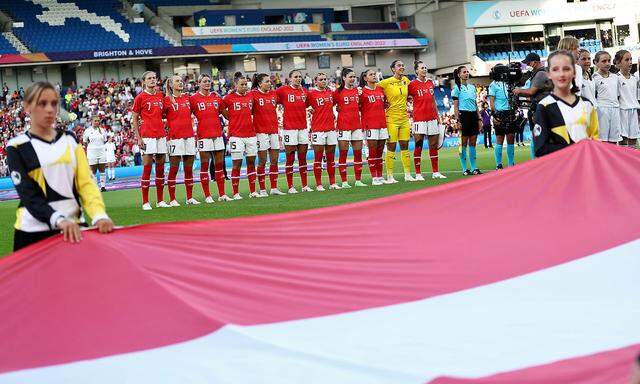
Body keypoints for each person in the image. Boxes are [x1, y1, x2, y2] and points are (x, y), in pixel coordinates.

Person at [6, 81, 114, 251]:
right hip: (33, 232)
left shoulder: (70, 140)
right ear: (27, 106)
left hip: (75, 228)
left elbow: (86, 183)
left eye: (54, 103)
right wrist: (58, 219)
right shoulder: (17, 146)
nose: (50, 109)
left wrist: (99, 215)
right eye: (42, 103)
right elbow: (29, 195)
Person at [533, 50, 599, 156]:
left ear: (574, 73)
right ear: (549, 74)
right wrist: (575, 148)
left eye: (566, 69)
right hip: (560, 169)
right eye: (555, 69)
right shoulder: (544, 106)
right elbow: (540, 148)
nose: (561, 74)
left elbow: (595, 141)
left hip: (586, 168)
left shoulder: (587, 105)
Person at [190, 73, 230, 203]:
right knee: (204, 166)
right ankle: (207, 196)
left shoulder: (216, 98)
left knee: (219, 165)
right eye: (204, 81)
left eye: (209, 81)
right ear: (199, 83)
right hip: (203, 136)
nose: (207, 83)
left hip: (218, 135)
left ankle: (222, 194)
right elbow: (185, 115)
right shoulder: (193, 99)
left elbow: (228, 115)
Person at [132, 71, 169, 210]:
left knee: (160, 169)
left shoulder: (161, 95)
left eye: (154, 78)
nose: (153, 80)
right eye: (149, 78)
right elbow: (134, 118)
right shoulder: (140, 97)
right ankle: (145, 202)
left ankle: (160, 201)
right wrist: (138, 137)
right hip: (147, 135)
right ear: (144, 81)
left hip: (160, 135)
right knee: (147, 167)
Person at [221, 72, 258, 199]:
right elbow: (221, 108)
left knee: (251, 163)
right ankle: (236, 193)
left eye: (246, 84)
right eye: (242, 84)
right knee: (237, 164)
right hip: (236, 135)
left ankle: (253, 191)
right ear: (236, 85)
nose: (244, 87)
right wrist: (230, 118)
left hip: (251, 134)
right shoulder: (228, 97)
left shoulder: (250, 96)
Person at [163, 75, 199, 206]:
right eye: (177, 81)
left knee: (189, 169)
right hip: (174, 138)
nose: (180, 83)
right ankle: (172, 199)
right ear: (171, 85)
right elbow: (159, 116)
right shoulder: (166, 100)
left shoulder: (188, 98)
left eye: (181, 81)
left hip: (189, 136)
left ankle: (190, 197)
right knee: (174, 169)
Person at [377, 60, 415, 183]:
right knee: (391, 147)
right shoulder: (386, 82)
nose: (402, 67)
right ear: (393, 69)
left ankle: (408, 174)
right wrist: (383, 101)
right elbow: (373, 88)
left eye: (403, 65)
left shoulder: (406, 81)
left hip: (404, 118)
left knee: (405, 146)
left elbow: (412, 92)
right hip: (391, 119)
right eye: (399, 65)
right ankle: (389, 176)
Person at [408, 60, 446, 180]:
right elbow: (404, 98)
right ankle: (418, 174)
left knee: (433, 145)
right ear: (416, 71)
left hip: (432, 118)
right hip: (419, 119)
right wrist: (409, 111)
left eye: (425, 67)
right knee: (418, 145)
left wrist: (438, 116)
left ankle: (435, 172)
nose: (424, 69)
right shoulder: (412, 84)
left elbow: (433, 100)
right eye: (422, 68)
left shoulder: (430, 83)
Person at [276, 70, 311, 193]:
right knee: (290, 158)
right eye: (295, 77)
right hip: (289, 128)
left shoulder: (304, 91)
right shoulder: (282, 90)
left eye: (300, 77)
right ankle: (290, 187)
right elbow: (273, 98)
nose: (298, 79)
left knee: (303, 157)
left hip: (302, 128)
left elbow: (307, 105)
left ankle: (305, 185)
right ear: (290, 78)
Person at [513, 52, 553, 159]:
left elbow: (531, 91)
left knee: (537, 138)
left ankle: (535, 162)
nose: (527, 65)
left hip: (542, 110)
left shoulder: (540, 74)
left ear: (535, 62)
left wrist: (518, 90)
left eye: (528, 63)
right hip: (544, 109)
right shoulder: (542, 72)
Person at [251, 73, 285, 196]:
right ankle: (262, 189)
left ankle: (274, 188)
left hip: (274, 131)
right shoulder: (253, 94)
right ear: (260, 83)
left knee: (274, 160)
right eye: (266, 82)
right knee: (262, 161)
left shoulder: (274, 94)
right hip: (260, 132)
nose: (269, 84)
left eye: (270, 82)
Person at [307, 72, 339, 191]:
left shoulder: (330, 92)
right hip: (318, 129)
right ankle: (319, 184)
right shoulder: (311, 94)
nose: (324, 81)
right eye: (321, 79)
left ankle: (333, 183)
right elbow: (305, 106)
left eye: (325, 79)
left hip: (331, 129)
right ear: (315, 81)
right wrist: (310, 110)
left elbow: (335, 104)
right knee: (318, 158)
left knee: (331, 158)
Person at [334, 68, 366, 188]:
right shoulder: (337, 92)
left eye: (354, 77)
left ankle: (358, 180)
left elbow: (362, 105)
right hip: (343, 126)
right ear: (344, 78)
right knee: (344, 154)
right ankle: (344, 181)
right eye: (350, 77)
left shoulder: (358, 91)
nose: (353, 79)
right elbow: (330, 105)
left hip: (356, 125)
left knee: (358, 153)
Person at [359, 69, 388, 186]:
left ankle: (380, 176)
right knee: (372, 152)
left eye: (374, 74)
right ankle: (374, 177)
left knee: (380, 152)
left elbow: (385, 104)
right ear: (365, 78)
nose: (374, 76)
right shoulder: (362, 92)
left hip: (382, 124)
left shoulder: (381, 90)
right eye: (371, 74)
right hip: (369, 125)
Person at [452, 65, 481, 175]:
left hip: (473, 115)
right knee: (463, 143)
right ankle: (465, 169)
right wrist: (457, 120)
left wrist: (479, 118)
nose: (466, 73)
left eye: (467, 72)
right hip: (463, 116)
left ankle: (474, 168)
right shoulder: (456, 89)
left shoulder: (472, 87)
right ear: (459, 74)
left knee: (473, 142)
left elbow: (475, 104)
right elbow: (455, 106)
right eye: (464, 72)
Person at [488, 66, 516, 169]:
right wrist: (494, 115)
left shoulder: (508, 84)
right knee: (500, 139)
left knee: (511, 138)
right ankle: (498, 164)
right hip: (499, 113)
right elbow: (491, 102)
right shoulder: (493, 85)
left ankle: (511, 163)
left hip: (510, 112)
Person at [592, 51, 621, 144]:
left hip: (615, 109)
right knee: (603, 140)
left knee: (614, 140)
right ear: (595, 62)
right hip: (602, 110)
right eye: (604, 61)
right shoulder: (594, 78)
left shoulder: (615, 77)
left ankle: (613, 158)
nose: (607, 63)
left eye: (609, 60)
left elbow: (618, 94)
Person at [613, 50, 639, 148]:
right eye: (627, 60)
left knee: (633, 138)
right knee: (623, 139)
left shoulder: (634, 78)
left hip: (634, 112)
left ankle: (633, 162)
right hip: (622, 112)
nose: (630, 62)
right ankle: (623, 161)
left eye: (631, 59)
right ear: (618, 63)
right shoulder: (616, 78)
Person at [82, 115, 108, 191]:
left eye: (98, 121)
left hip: (101, 151)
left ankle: (103, 187)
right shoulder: (87, 131)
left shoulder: (102, 130)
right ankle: (95, 188)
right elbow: (85, 142)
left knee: (102, 170)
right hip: (92, 152)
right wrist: (87, 150)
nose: (97, 122)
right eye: (95, 121)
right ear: (92, 122)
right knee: (93, 171)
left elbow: (105, 140)